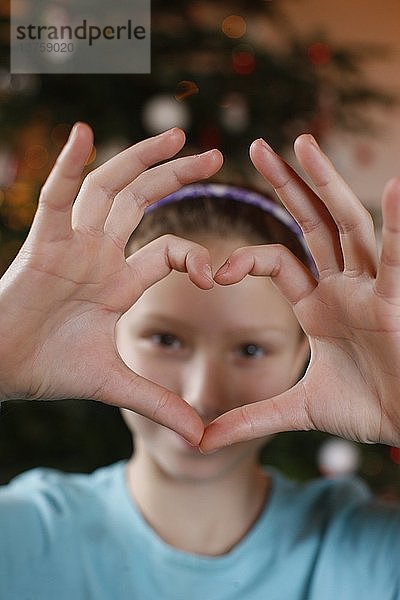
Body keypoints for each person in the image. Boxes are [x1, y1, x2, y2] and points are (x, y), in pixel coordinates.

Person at [0, 122, 399, 599]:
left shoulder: (375, 552)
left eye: (250, 350)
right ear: (113, 333)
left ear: (302, 354)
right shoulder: (24, 534)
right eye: (166, 339)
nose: (201, 396)